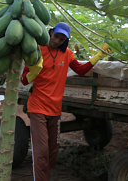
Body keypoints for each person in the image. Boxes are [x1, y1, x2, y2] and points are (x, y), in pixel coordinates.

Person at [20, 22, 109, 181]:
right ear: (51, 32)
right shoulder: (37, 50)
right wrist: (34, 71)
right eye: (56, 36)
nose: (57, 41)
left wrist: (99, 56)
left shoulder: (66, 54)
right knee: (41, 152)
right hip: (37, 107)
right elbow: (24, 81)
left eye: (62, 39)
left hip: (55, 109)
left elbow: (81, 71)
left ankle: (44, 177)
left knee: (53, 150)